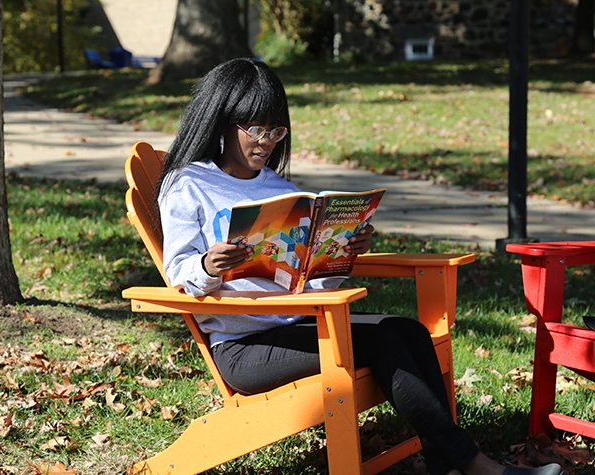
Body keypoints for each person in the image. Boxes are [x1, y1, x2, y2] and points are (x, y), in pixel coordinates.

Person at [156, 57, 563, 475]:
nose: (266, 142)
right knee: (381, 343)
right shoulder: (189, 185)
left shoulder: (282, 189)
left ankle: (450, 467)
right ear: (224, 122)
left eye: (276, 131)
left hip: (300, 325)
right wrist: (209, 263)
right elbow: (179, 273)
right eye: (256, 129)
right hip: (244, 347)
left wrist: (339, 253)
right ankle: (481, 468)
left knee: (408, 330)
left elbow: (308, 283)